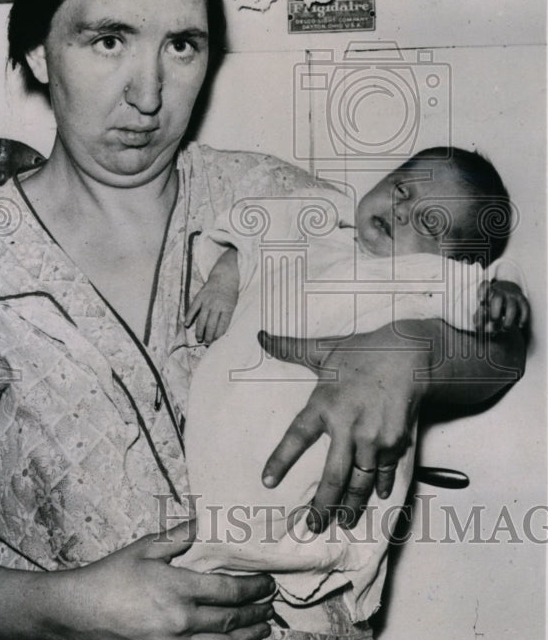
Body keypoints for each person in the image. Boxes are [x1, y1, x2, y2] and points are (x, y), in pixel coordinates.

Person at [0, 0, 527, 640]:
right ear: (38, 50)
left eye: (182, 45)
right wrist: (75, 608)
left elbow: (502, 355)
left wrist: (413, 353)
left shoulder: (281, 201)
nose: (148, 94)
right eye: (108, 40)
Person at [179, 149, 528, 616]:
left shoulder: (429, 276)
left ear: (454, 258)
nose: (401, 211)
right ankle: (216, 552)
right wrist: (224, 280)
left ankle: (277, 561)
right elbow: (250, 244)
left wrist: (503, 295)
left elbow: (486, 297)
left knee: (295, 495)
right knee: (220, 472)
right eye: (402, 190)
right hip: (234, 399)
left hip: (322, 418)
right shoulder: (315, 229)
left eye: (429, 223)